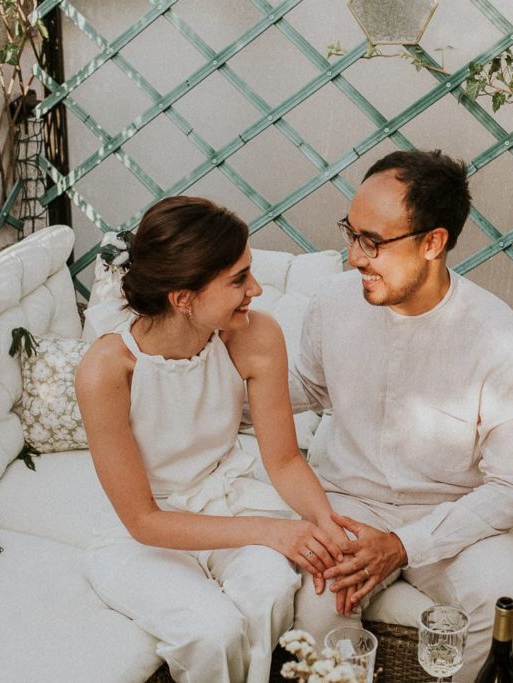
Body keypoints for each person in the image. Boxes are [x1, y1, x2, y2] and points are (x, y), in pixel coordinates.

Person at [289, 150, 513, 679]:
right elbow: (308, 389)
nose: (354, 258)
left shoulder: (500, 341)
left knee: (508, 606)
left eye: (373, 242)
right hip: (348, 504)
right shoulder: (333, 303)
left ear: (434, 242)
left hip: (456, 514)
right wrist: (205, 377)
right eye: (351, 233)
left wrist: (405, 546)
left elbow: (512, 488)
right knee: (317, 607)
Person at [75, 196, 348, 683]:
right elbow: (143, 520)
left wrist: (326, 524)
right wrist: (273, 532)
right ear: (184, 299)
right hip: (144, 531)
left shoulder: (256, 336)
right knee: (212, 632)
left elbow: (284, 460)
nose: (257, 289)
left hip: (230, 497)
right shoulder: (105, 370)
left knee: (269, 590)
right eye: (239, 279)